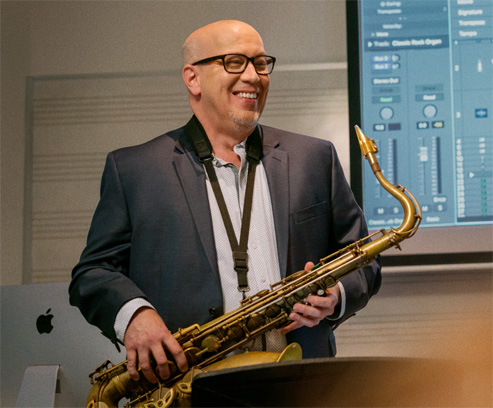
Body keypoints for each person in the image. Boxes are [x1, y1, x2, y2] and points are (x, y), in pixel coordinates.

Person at [69, 20, 381, 385]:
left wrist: (337, 294)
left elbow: (364, 261)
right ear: (193, 78)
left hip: (303, 382)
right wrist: (135, 316)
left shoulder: (315, 157)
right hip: (187, 385)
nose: (253, 76)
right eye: (234, 62)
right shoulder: (134, 169)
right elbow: (93, 272)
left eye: (261, 63)